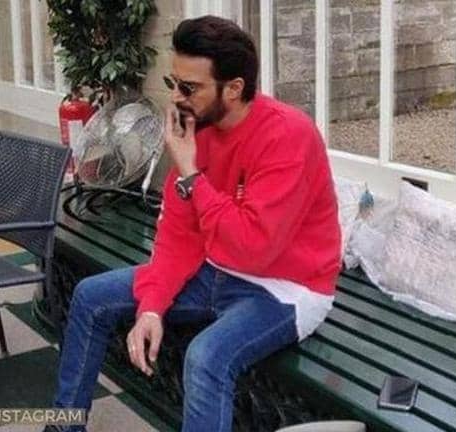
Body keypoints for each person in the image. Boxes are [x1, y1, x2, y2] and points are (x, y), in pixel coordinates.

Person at [47, 15, 342, 432]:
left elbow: (254, 249)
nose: (177, 98)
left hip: (286, 288)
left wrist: (190, 173)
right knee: (90, 297)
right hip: (215, 267)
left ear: (233, 88)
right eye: (174, 84)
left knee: (205, 357)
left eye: (189, 88)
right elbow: (178, 235)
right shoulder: (198, 129)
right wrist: (152, 307)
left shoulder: (288, 136)